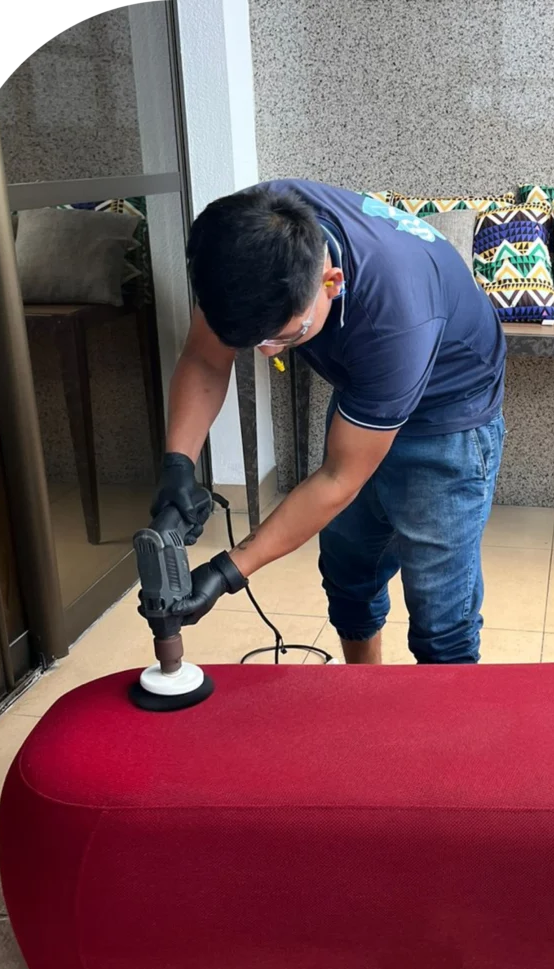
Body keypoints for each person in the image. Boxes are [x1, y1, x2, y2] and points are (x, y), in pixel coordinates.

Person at [148, 180, 507, 665]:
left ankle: (444, 712)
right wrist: (178, 464)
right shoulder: (247, 238)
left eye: (283, 337)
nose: (268, 353)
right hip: (370, 389)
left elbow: (339, 478)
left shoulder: (394, 318)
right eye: (253, 342)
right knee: (349, 575)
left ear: (331, 282)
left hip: (448, 414)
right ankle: (363, 693)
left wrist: (227, 571)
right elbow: (205, 358)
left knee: (441, 619)